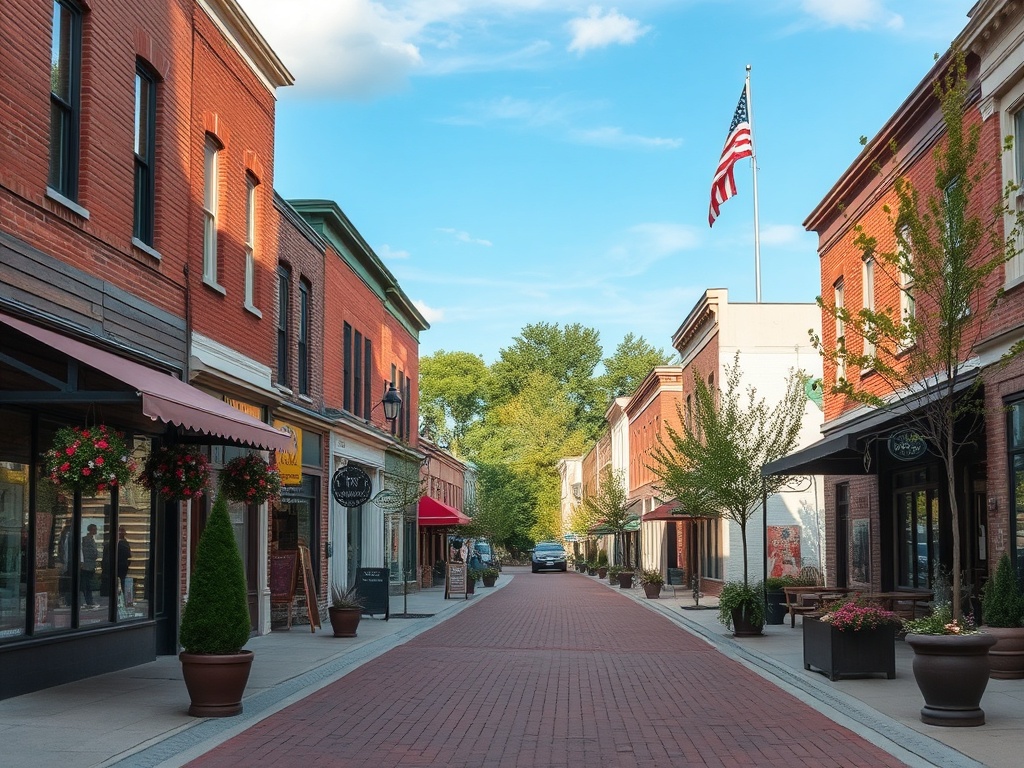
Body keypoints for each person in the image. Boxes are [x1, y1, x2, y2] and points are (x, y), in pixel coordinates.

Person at [81, 524, 98, 608]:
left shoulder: (91, 539)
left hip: (90, 565)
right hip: (87, 565)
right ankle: (89, 600)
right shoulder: (87, 540)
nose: (96, 531)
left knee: (89, 583)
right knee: (87, 584)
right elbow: (90, 552)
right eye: (94, 529)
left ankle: (89, 600)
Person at [58, 522, 73, 607]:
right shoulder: (67, 538)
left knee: (66, 581)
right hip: (68, 562)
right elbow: (65, 552)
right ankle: (67, 600)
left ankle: (66, 599)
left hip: (66, 561)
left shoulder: (63, 538)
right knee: (68, 582)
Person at [116, 526, 131, 599]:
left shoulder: (119, 543)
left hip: (118, 564)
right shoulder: (125, 543)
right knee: (122, 580)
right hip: (123, 564)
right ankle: (124, 597)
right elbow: (129, 555)